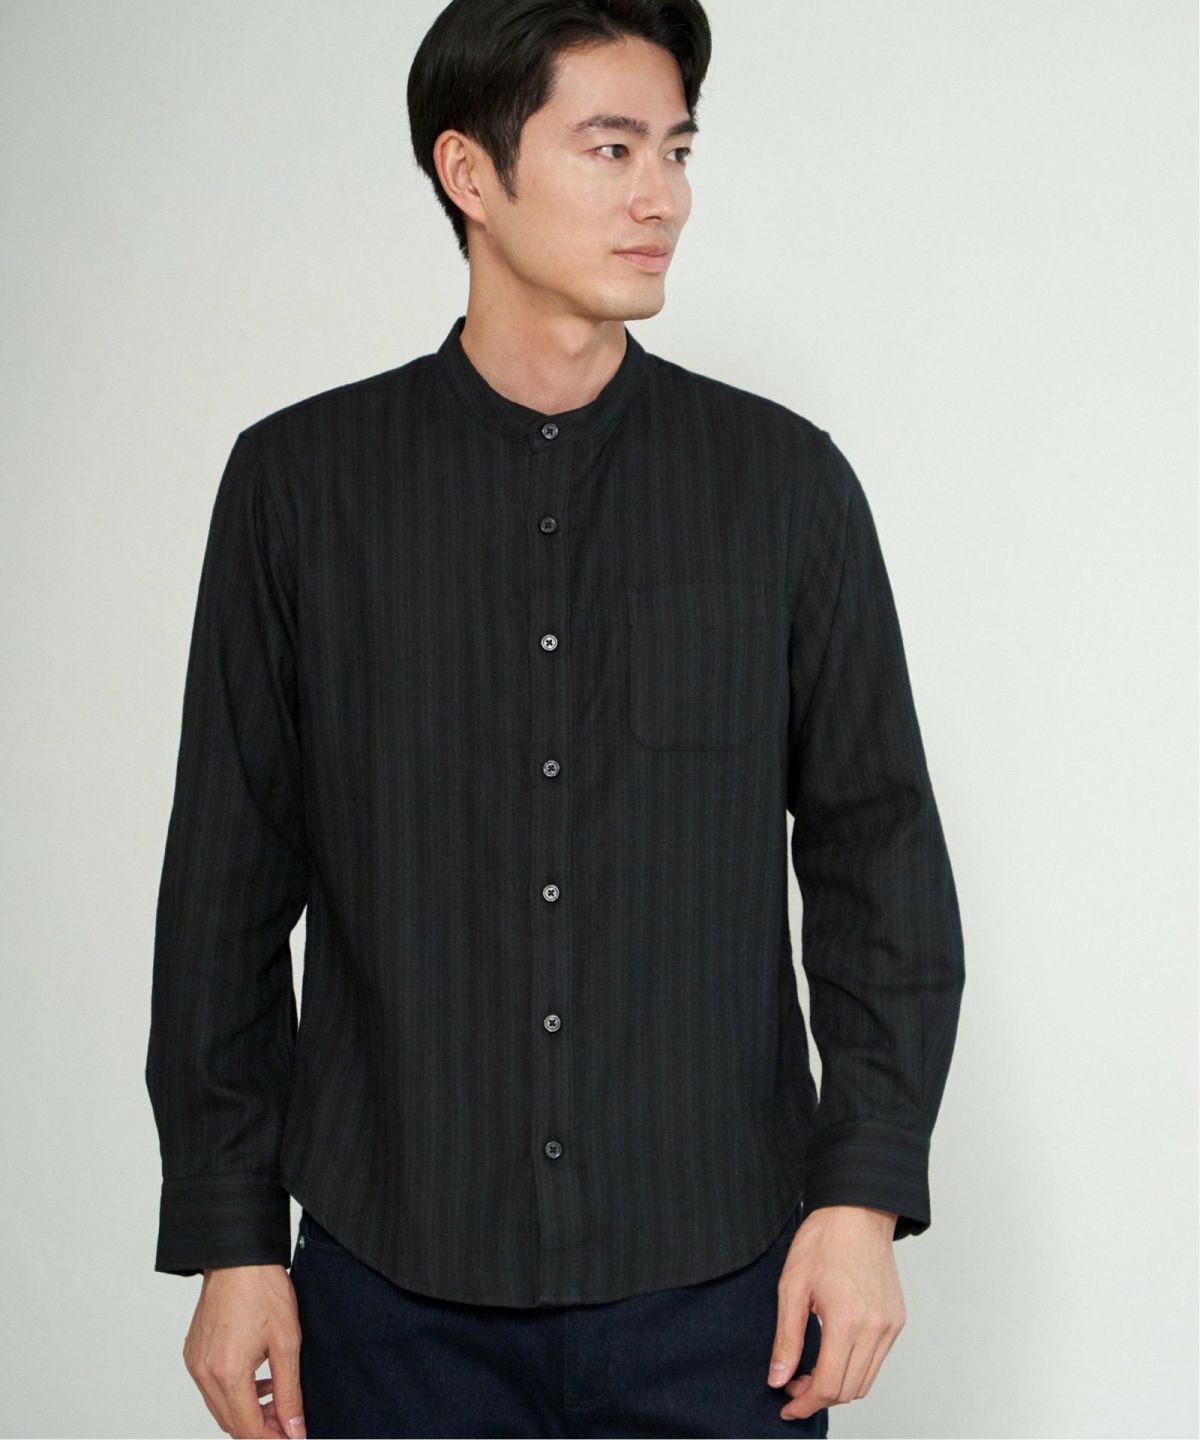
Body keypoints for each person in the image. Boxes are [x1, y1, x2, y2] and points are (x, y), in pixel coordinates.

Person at [144, 2, 966, 1436]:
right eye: (610, 148)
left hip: (726, 1291)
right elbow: (225, 890)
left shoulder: (784, 487)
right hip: (390, 1294)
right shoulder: (298, 489)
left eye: (677, 150)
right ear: (470, 171)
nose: (665, 198)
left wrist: (862, 1195)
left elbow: (878, 858)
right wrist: (233, 1238)